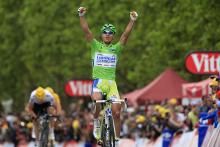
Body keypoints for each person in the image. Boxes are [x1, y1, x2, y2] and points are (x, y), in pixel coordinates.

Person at [77, 6, 138, 144]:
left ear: (113, 35)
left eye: (110, 33)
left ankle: (116, 140)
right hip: (99, 82)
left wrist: (132, 20)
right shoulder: (95, 45)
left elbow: (125, 35)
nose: (108, 34)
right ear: (102, 34)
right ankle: (97, 121)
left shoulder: (116, 48)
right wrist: (81, 16)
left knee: (117, 111)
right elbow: (86, 30)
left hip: (111, 84)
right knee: (97, 101)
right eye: (105, 32)